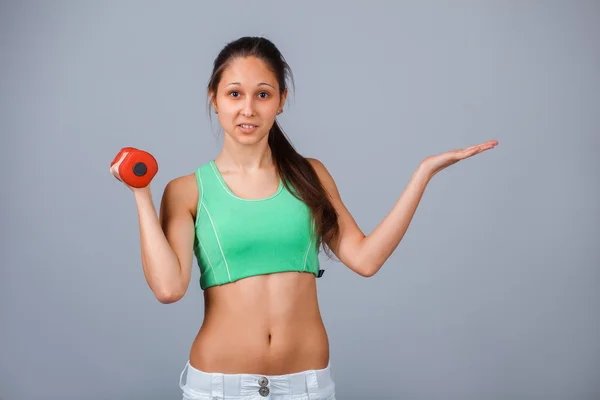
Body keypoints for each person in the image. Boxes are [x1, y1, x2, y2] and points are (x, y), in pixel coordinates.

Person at [111, 36, 498, 400]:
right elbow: (168, 288)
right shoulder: (185, 190)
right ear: (214, 99)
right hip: (218, 388)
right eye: (234, 94)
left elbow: (365, 259)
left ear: (281, 100)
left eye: (263, 94)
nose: (248, 108)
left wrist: (423, 173)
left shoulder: (309, 175)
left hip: (305, 387)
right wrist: (141, 192)